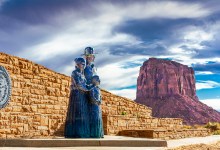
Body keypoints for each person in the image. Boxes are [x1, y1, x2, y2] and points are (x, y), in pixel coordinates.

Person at [64, 57, 90, 138]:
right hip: (77, 94)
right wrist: (88, 88)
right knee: (77, 112)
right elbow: (79, 84)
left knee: (82, 113)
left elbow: (84, 84)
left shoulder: (82, 74)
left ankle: (82, 132)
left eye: (83, 64)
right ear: (77, 64)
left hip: (82, 95)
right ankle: (75, 132)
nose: (83, 65)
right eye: (81, 64)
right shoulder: (75, 73)